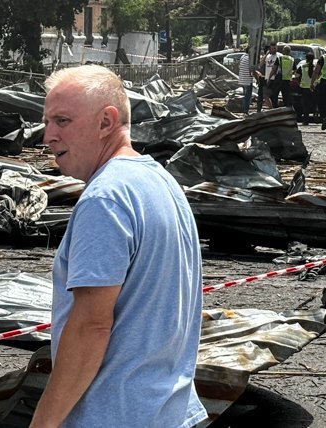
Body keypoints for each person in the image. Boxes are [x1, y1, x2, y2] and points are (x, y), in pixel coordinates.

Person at [32, 65, 206, 427]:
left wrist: (43, 425)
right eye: (47, 121)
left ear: (106, 122)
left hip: (115, 414)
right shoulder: (160, 181)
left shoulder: (104, 199)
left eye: (62, 121)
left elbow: (90, 328)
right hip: (166, 411)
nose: (47, 135)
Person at [295, 53, 317, 125]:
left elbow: (296, 76)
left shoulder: (302, 66)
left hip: (304, 88)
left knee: (305, 105)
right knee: (314, 103)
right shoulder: (316, 67)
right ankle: (316, 116)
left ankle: (306, 120)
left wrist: (299, 83)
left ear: (306, 59)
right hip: (314, 88)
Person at [261, 42, 279, 109]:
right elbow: (261, 64)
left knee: (271, 96)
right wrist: (266, 54)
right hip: (267, 78)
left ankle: (273, 109)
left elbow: (275, 69)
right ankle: (272, 109)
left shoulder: (278, 56)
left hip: (275, 78)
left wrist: (269, 78)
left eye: (275, 48)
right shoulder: (268, 57)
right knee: (266, 96)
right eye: (272, 48)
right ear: (270, 49)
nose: (273, 50)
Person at [237, 46, 254, 114]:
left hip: (242, 80)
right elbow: (252, 69)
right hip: (248, 80)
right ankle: (245, 111)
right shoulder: (250, 59)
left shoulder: (243, 57)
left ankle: (244, 109)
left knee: (245, 97)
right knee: (247, 97)